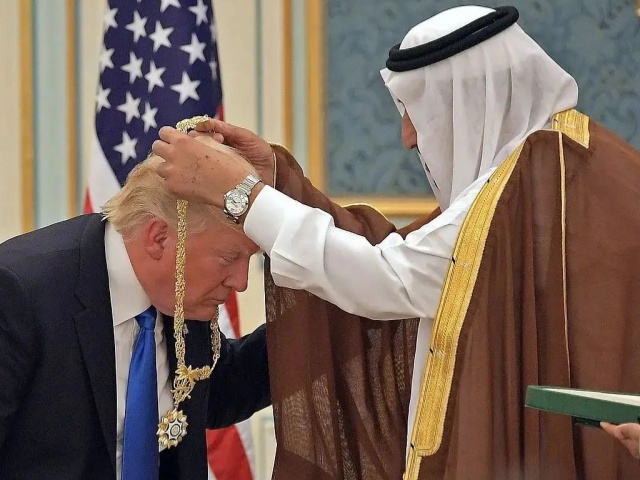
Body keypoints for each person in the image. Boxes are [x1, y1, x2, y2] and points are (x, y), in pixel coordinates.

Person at [153, 5, 640, 479]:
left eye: (416, 112)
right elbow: (401, 255)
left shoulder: (537, 184)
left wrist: (243, 196)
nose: (408, 137)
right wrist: (278, 183)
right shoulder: (556, 165)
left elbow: (391, 277)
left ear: (469, 101)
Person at [0, 137, 270, 480]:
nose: (241, 281)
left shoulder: (182, 295)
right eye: (230, 257)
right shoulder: (19, 294)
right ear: (158, 238)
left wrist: (318, 320)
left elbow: (218, 390)